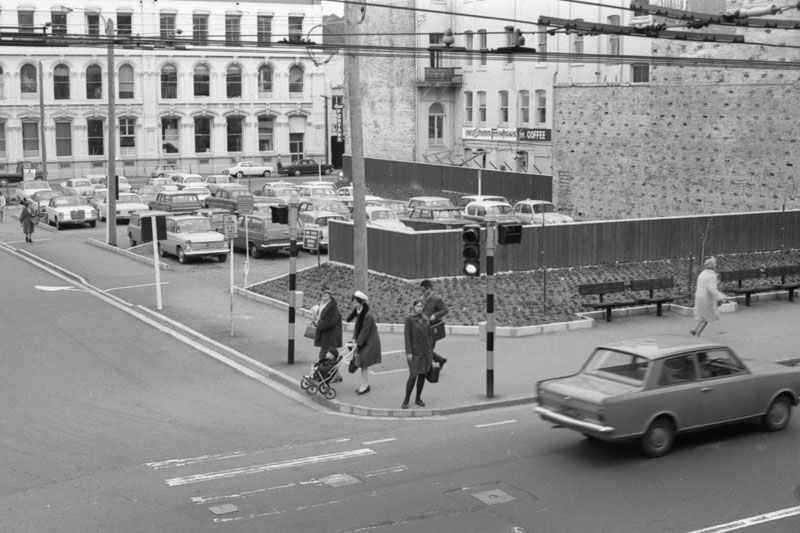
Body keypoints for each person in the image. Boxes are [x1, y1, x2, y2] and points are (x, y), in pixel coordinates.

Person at [347, 290, 381, 395]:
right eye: (354, 302)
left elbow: (365, 331)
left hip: (370, 341)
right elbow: (357, 327)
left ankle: (365, 385)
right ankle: (365, 384)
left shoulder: (367, 315)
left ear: (361, 303)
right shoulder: (360, 311)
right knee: (363, 363)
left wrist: (357, 342)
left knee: (363, 362)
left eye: (356, 303)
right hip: (364, 340)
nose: (354, 304)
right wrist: (354, 339)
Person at [402, 297, 433, 408]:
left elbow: (429, 335)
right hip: (415, 352)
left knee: (422, 375)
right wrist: (409, 352)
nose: (419, 308)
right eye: (417, 306)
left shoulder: (425, 319)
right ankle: (406, 400)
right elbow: (407, 337)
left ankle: (418, 398)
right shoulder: (409, 319)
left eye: (421, 306)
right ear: (413, 307)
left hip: (425, 352)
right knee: (413, 375)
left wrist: (430, 350)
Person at [691, 256, 729, 336]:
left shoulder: (702, 274)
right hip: (706, 299)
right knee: (706, 318)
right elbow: (712, 289)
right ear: (712, 265)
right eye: (715, 263)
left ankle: (695, 329)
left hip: (699, 297)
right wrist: (722, 297)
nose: (716, 264)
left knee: (702, 316)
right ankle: (697, 334)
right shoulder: (712, 275)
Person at [313, 289, 343, 382]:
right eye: (323, 296)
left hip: (331, 336)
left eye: (326, 296)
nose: (324, 298)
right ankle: (336, 375)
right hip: (326, 336)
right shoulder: (322, 307)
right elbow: (320, 320)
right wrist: (316, 321)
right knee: (329, 357)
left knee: (325, 357)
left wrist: (319, 323)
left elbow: (330, 323)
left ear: (330, 298)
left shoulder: (333, 309)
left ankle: (328, 375)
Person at [420, 279, 448, 369]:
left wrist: (435, 315)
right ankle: (439, 360)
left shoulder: (437, 299)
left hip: (433, 327)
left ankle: (429, 366)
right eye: (421, 290)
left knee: (427, 348)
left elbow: (445, 310)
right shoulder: (423, 299)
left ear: (429, 289)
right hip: (424, 326)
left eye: (424, 290)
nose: (422, 292)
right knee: (426, 348)